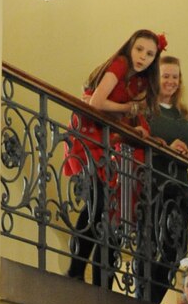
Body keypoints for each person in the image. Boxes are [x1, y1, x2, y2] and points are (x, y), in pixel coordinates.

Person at [65, 28, 164, 285]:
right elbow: (95, 103)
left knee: (103, 206)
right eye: (139, 49)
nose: (143, 57)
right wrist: (126, 108)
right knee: (97, 202)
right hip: (89, 131)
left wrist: (134, 125)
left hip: (105, 135)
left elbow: (126, 114)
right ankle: (75, 269)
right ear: (129, 48)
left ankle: (84, 272)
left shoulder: (141, 81)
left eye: (150, 54)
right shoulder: (120, 65)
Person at [146, 53, 188, 304]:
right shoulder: (147, 109)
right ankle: (146, 297)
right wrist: (166, 146)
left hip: (180, 187)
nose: (170, 81)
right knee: (150, 243)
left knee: (176, 248)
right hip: (154, 183)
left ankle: (153, 297)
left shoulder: (184, 113)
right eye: (165, 76)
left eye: (175, 77)